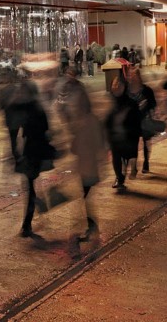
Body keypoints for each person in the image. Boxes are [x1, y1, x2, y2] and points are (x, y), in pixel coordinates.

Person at [14, 91, 60, 237]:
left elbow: (22, 131)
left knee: (29, 186)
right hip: (33, 151)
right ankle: (31, 215)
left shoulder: (31, 111)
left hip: (33, 152)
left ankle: (27, 223)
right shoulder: (36, 110)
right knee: (30, 186)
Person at [69, 101, 106, 240]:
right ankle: (90, 225)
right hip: (89, 165)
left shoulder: (85, 123)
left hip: (87, 166)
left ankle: (92, 226)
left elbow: (75, 147)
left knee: (86, 197)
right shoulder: (92, 121)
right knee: (86, 197)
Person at [106, 78, 141, 192]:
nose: (116, 86)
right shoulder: (110, 101)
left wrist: (135, 135)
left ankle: (126, 172)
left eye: (119, 84)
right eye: (114, 84)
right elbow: (107, 120)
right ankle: (119, 179)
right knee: (116, 158)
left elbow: (136, 121)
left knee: (125, 158)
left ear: (124, 87)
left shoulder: (131, 103)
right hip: (114, 136)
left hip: (127, 136)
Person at [0, 78, 38, 161]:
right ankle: (26, 152)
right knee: (26, 135)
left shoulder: (3, 91)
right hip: (23, 118)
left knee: (13, 138)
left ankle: (16, 155)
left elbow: (1, 106)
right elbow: (29, 102)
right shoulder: (21, 89)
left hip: (11, 119)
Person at [126, 69, 156, 176]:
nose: (131, 77)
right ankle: (133, 167)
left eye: (134, 75)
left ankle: (146, 162)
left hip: (145, 120)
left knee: (146, 142)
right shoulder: (127, 90)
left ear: (139, 77)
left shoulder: (147, 90)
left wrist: (147, 106)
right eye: (130, 75)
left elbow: (153, 104)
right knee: (133, 144)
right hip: (133, 121)